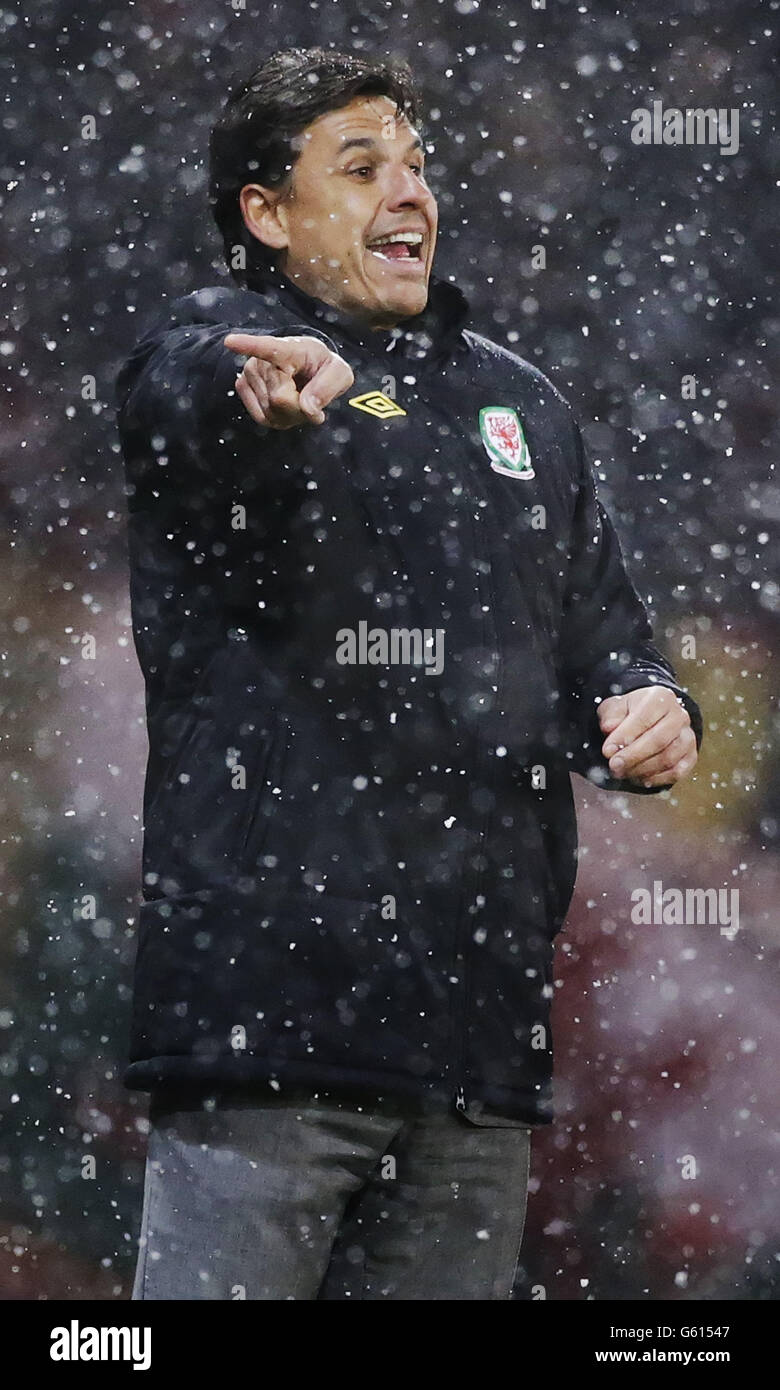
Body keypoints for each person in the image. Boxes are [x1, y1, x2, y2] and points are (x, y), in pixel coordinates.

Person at [116, 47, 702, 1300]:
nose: (411, 194)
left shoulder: (524, 411)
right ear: (266, 215)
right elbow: (187, 398)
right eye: (363, 165)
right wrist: (258, 398)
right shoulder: (210, 352)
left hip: (473, 1043)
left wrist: (654, 707)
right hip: (269, 1030)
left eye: (419, 166)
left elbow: (611, 644)